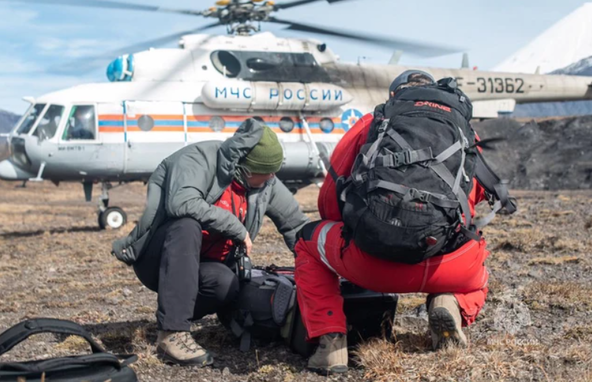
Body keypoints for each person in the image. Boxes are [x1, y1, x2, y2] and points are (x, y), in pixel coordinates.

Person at [294, 70, 498, 374]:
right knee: (478, 254)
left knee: (307, 240)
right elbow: (477, 199)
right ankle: (450, 302)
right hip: (446, 267)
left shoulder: (372, 123)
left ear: (394, 97)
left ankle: (331, 344)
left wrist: (365, 227)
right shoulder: (463, 130)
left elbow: (328, 201)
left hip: (371, 265)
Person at [112, 118, 309, 367]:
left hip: (203, 267)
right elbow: (181, 203)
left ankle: (175, 311)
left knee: (226, 284)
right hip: (159, 258)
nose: (272, 178)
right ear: (244, 168)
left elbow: (295, 224)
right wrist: (236, 227)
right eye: (267, 172)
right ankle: (172, 333)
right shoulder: (199, 159)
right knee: (186, 224)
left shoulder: (265, 183)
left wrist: (319, 262)